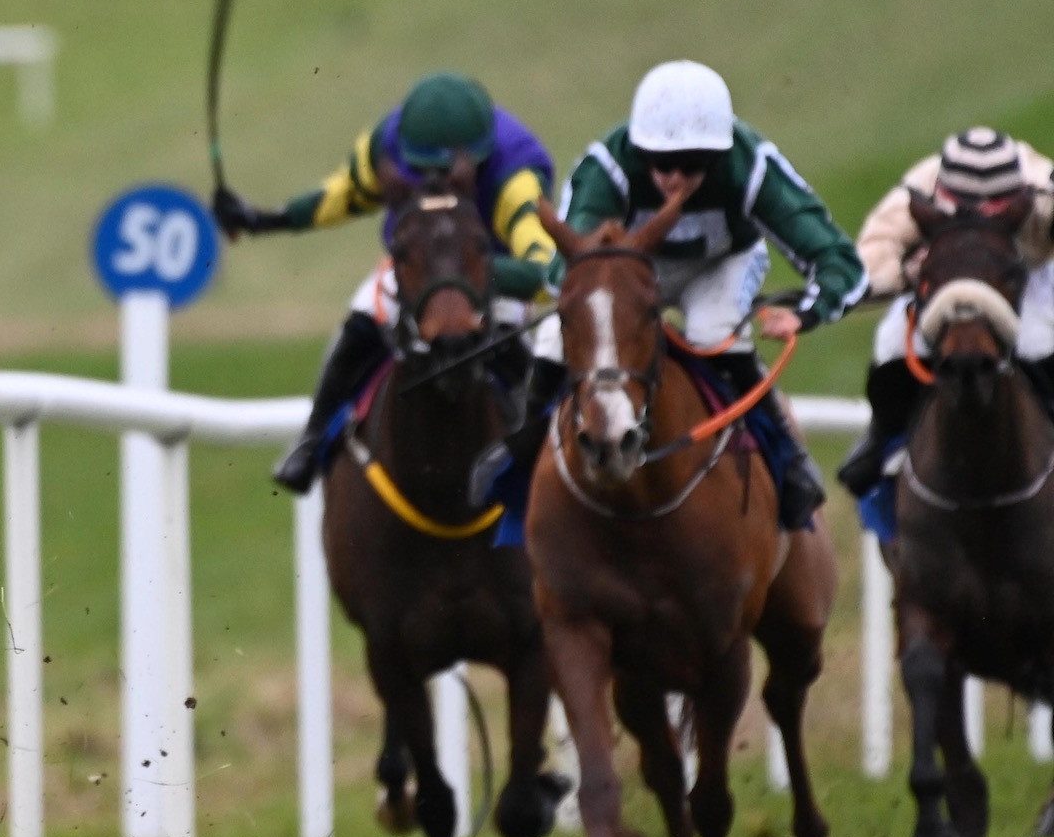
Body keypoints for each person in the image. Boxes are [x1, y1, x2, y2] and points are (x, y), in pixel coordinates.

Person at [544, 59, 867, 530]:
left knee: (712, 332)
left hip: (722, 264)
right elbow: (563, 269)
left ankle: (787, 459)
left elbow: (841, 262)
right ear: (639, 150)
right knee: (551, 341)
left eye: (692, 164)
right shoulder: (608, 167)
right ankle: (518, 455)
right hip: (630, 274)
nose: (674, 177)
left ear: (720, 155)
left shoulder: (751, 167)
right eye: (659, 162)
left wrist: (807, 312)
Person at [213, 71, 559, 493]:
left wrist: (473, 276)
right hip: (414, 268)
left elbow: (546, 272)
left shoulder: (516, 175)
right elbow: (342, 195)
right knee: (362, 317)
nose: (432, 182)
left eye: (447, 174)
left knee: (519, 347)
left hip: (486, 272)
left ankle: (548, 465)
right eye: (420, 171)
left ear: (480, 160)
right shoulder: (386, 144)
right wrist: (262, 219)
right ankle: (312, 438)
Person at [836, 127, 1054, 496]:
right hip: (942, 281)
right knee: (891, 343)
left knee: (1037, 341)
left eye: (992, 212)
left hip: (1026, 277)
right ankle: (885, 431)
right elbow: (871, 257)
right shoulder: (919, 188)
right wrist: (905, 272)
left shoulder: (1043, 190)